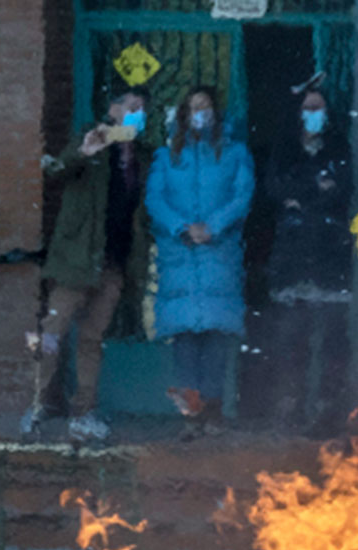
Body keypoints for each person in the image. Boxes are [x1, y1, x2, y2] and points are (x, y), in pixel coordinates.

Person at [33, 84, 152, 443]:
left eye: (142, 109)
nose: (137, 114)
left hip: (114, 261)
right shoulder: (93, 138)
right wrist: (83, 153)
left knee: (91, 338)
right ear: (113, 109)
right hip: (77, 258)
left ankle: (84, 412)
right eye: (131, 107)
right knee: (52, 333)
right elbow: (55, 172)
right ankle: (36, 404)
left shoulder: (141, 156)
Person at [146, 86, 255, 429]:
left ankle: (214, 409)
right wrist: (181, 227)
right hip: (180, 258)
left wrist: (214, 226)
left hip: (218, 257)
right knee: (185, 343)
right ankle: (191, 414)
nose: (200, 113)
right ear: (182, 114)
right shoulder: (167, 157)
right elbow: (155, 199)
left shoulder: (234, 153)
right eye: (193, 107)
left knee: (216, 340)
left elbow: (242, 195)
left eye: (205, 106)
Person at [262, 85, 352, 429]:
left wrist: (301, 193)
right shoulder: (284, 148)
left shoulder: (338, 146)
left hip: (329, 256)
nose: (314, 113)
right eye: (308, 107)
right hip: (292, 258)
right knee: (290, 340)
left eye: (319, 107)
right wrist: (315, 185)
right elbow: (276, 186)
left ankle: (326, 413)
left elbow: (341, 186)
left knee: (330, 339)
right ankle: (288, 410)